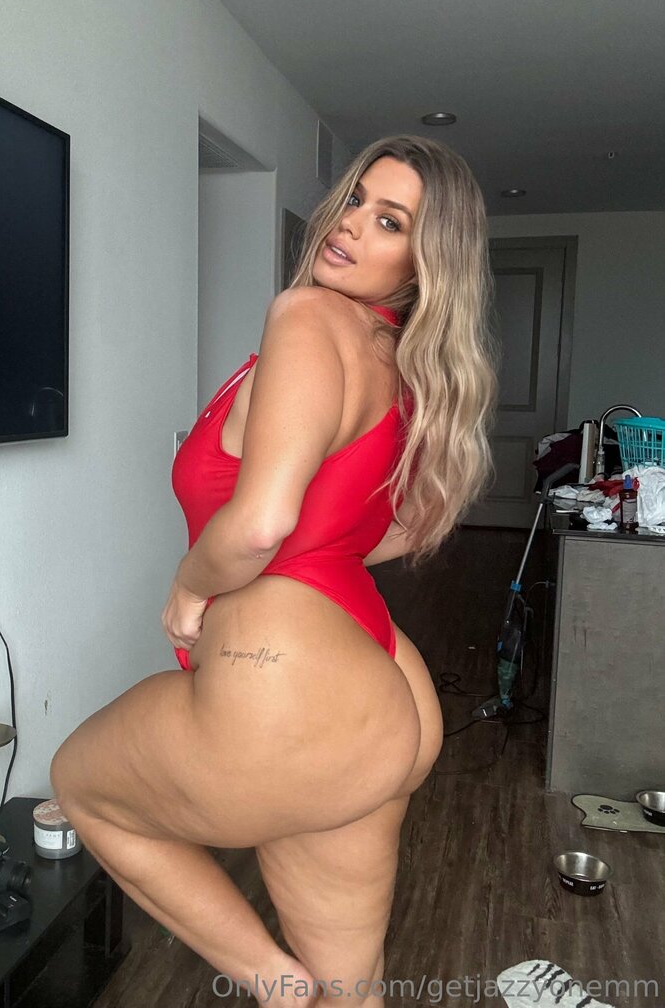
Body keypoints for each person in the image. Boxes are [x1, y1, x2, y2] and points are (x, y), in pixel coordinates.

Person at [51, 135, 498, 1008]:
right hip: (383, 689)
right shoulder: (402, 359)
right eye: (356, 199)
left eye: (391, 222)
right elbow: (408, 522)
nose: (350, 226)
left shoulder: (305, 317)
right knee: (353, 990)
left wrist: (191, 582)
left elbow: (259, 524)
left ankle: (272, 983)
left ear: (424, 264)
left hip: (291, 691)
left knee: (81, 787)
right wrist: (316, 554)